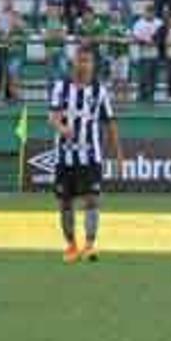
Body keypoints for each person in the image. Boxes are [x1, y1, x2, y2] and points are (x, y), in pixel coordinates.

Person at [48, 42, 121, 263]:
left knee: (92, 200)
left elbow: (110, 123)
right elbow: (52, 116)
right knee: (65, 204)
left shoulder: (100, 91)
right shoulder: (61, 87)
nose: (83, 65)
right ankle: (71, 246)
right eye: (80, 60)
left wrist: (118, 154)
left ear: (93, 64)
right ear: (74, 62)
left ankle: (89, 245)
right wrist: (62, 128)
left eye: (87, 61)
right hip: (64, 156)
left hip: (91, 156)